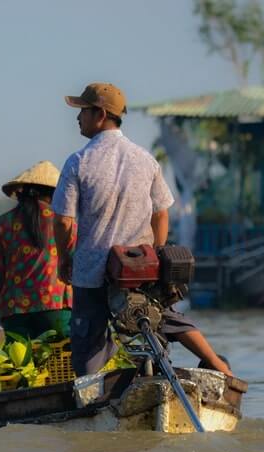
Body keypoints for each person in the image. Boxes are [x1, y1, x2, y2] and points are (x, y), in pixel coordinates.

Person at [52, 82, 233, 377]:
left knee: (87, 343)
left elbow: (62, 221)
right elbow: (162, 214)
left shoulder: (78, 162)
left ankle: (91, 394)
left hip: (91, 269)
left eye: (82, 111)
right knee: (165, 318)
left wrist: (64, 258)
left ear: (99, 114)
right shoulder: (145, 159)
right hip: (138, 266)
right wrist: (155, 254)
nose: (78, 118)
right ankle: (219, 365)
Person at [0, 161, 73, 339]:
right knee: (61, 362)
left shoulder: (4, 222)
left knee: (20, 364)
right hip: (55, 305)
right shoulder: (63, 221)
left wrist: (1, 306)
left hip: (14, 309)